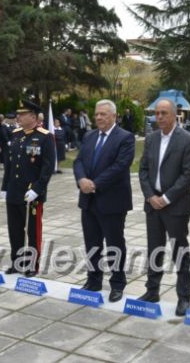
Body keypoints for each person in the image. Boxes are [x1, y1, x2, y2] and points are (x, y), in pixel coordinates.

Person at [138, 99, 190, 316]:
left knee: (179, 251)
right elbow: (143, 170)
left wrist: (167, 198)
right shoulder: (151, 139)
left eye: (163, 113)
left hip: (176, 207)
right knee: (154, 249)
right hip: (153, 206)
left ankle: (184, 297)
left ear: (174, 115)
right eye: (157, 113)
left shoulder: (187, 139)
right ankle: (152, 291)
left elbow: (188, 173)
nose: (159, 117)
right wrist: (150, 196)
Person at [74, 99, 135, 302]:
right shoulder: (90, 136)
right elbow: (79, 160)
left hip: (112, 201)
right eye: (97, 114)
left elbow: (120, 166)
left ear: (114, 116)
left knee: (114, 244)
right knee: (92, 243)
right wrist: (81, 179)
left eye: (103, 114)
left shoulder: (125, 138)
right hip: (88, 201)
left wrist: (95, 184)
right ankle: (93, 280)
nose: (98, 117)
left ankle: (117, 283)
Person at [1, 100, 55, 275]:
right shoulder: (16, 134)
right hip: (14, 190)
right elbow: (10, 164)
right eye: (18, 114)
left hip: (31, 192)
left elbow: (48, 167)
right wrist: (4, 187)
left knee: (33, 231)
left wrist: (37, 189)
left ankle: (33, 264)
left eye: (22, 114)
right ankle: (17, 262)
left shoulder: (44, 136)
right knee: (14, 229)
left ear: (33, 116)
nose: (18, 117)